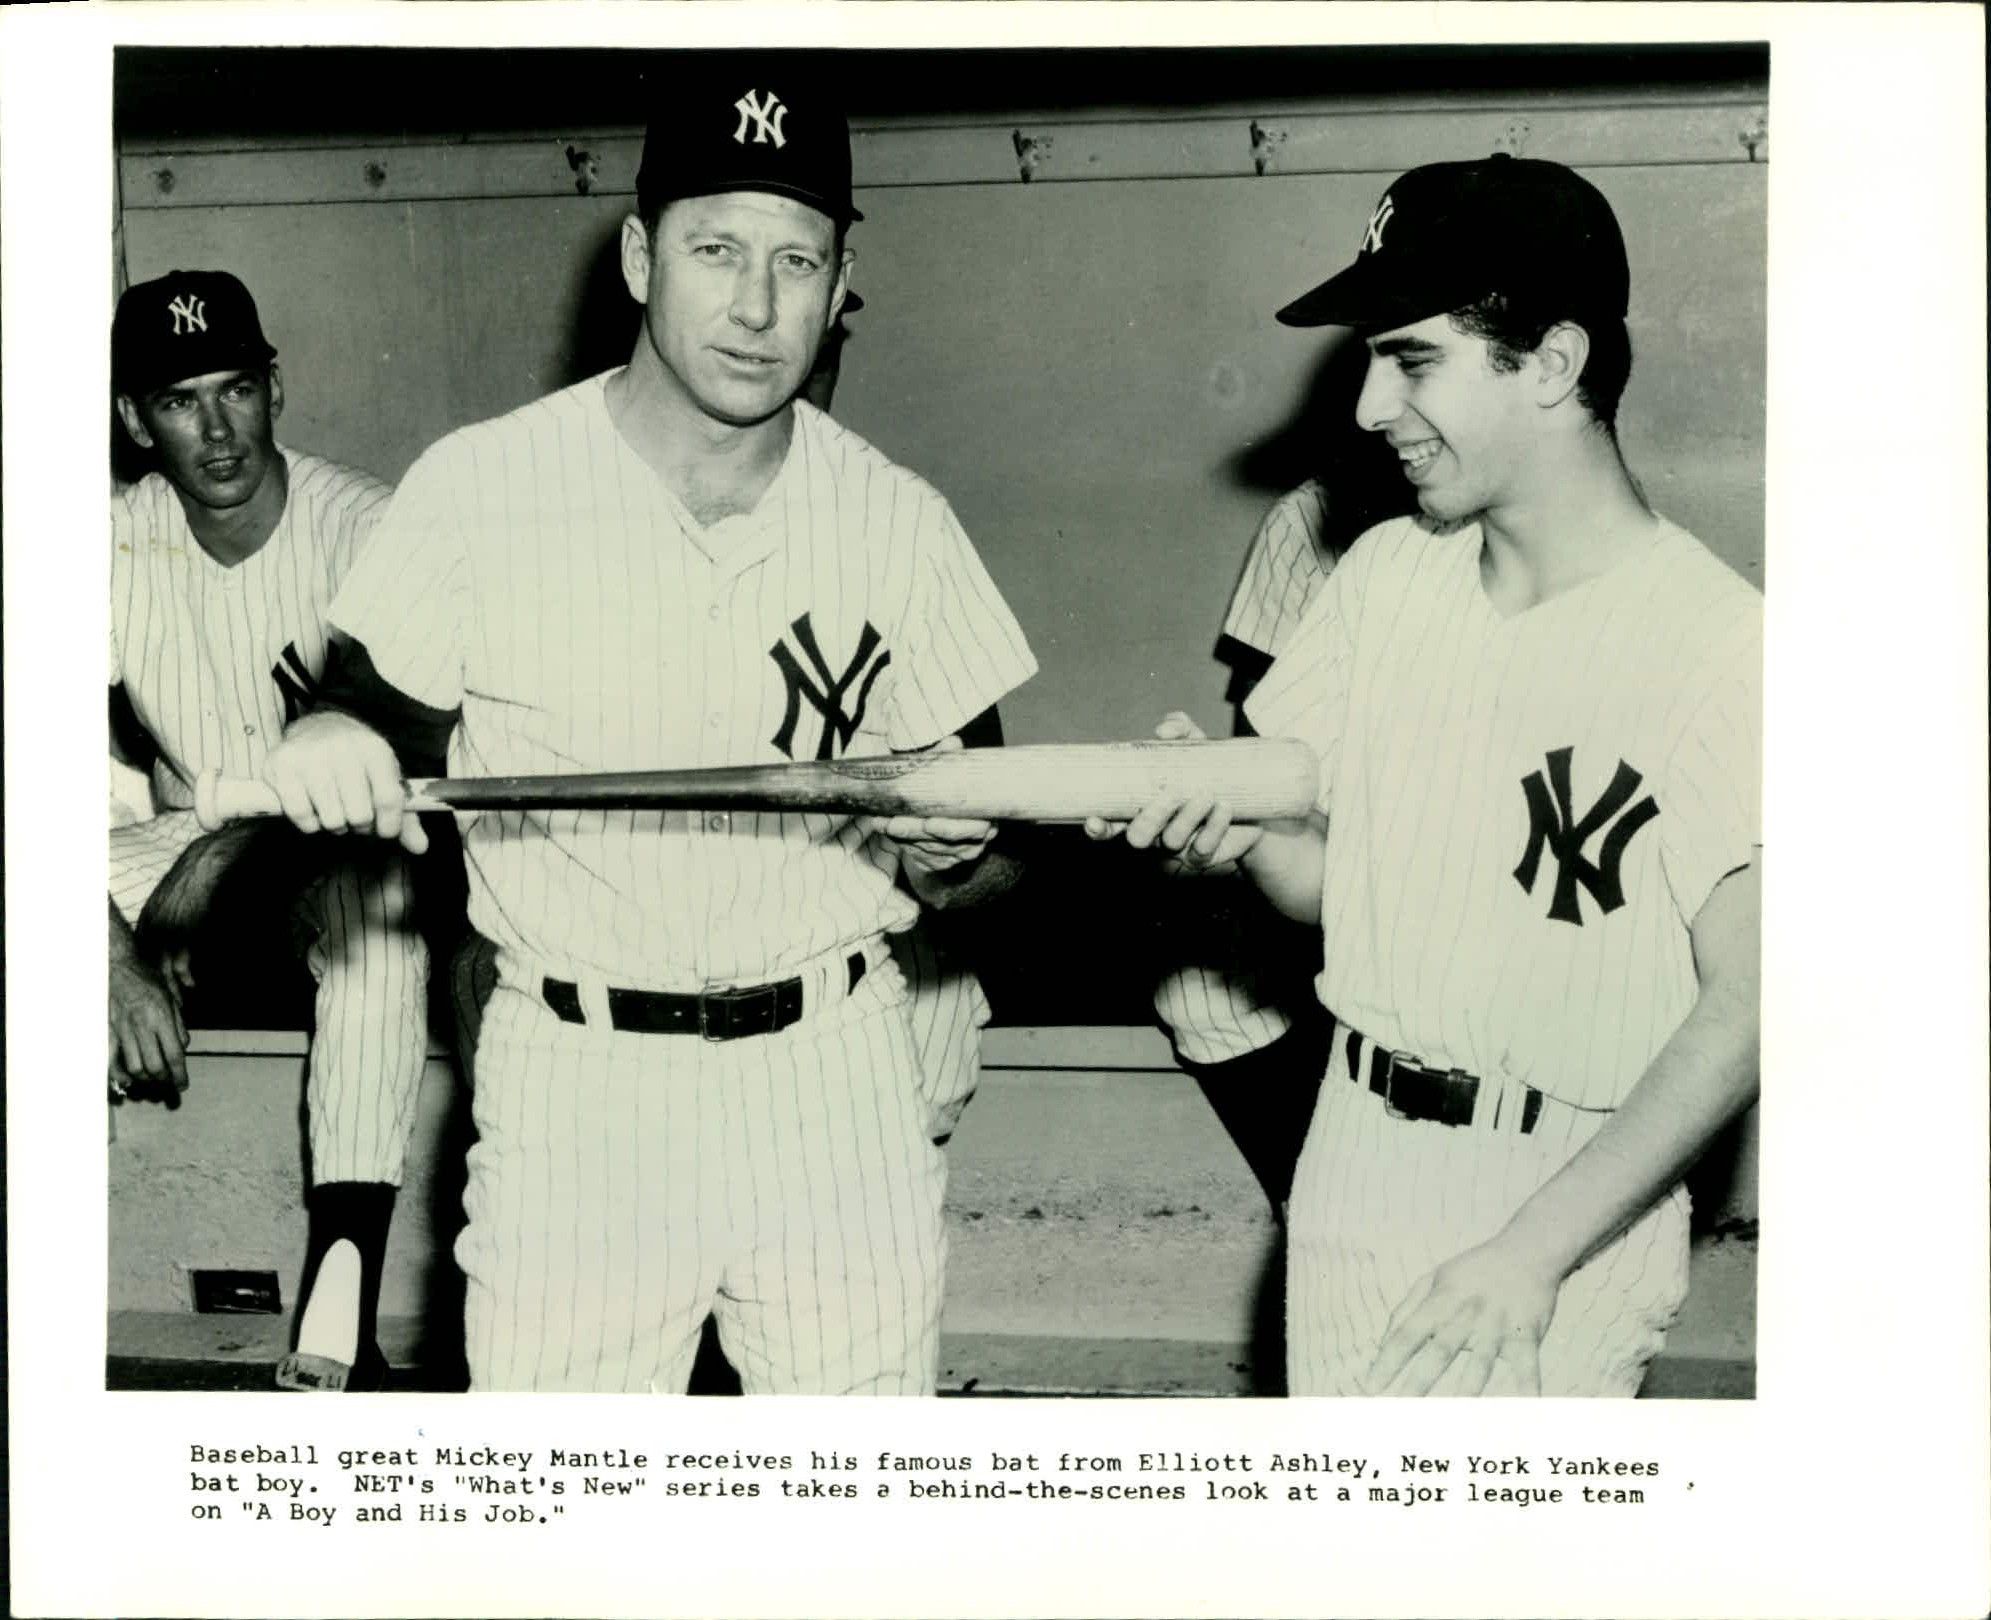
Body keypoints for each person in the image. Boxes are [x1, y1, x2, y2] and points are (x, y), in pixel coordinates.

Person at [258, 71, 1036, 1394]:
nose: (755, 305)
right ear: (636, 256)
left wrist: (959, 853)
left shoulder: (898, 521)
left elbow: (998, 857)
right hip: (580, 1081)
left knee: (854, 1534)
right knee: (566, 1538)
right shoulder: (483, 486)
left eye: (797, 260)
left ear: (842, 278)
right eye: (714, 250)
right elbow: (367, 718)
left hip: (833, 1078)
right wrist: (331, 738)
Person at [1092, 154, 1761, 1397]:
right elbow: (1338, 891)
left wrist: (1529, 1255)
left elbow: (1746, 1007)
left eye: (1409, 360)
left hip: (1559, 1199)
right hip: (1352, 1156)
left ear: (1551, 364)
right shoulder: (1386, 576)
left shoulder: (1719, 643)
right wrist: (1228, 829)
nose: (1364, 408)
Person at [107, 269, 431, 1392]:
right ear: (134, 421)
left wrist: (221, 857)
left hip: (335, 851)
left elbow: (405, 765)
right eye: (180, 400)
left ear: (276, 390)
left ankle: (339, 1292)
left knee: (370, 927)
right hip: (179, 848)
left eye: (236, 390)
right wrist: (106, 951)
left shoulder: (369, 525)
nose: (216, 428)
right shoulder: (107, 542)